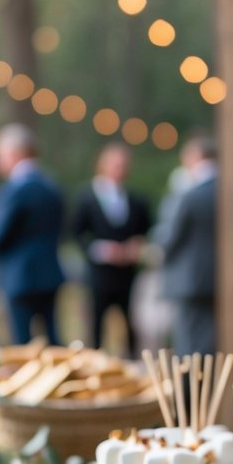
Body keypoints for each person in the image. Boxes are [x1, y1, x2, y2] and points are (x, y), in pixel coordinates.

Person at [0, 125, 64, 345]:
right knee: (54, 339)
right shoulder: (52, 185)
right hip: (50, 271)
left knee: (22, 342)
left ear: (15, 153)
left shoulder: (14, 190)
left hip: (20, 276)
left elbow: (0, 233)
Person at [72, 144, 151, 355]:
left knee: (130, 323)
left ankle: (132, 365)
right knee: (96, 325)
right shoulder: (87, 197)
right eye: (116, 164)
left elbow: (145, 230)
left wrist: (135, 246)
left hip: (127, 273)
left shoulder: (136, 199)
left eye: (124, 165)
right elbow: (77, 232)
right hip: (99, 274)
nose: (120, 169)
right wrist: (102, 250)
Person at [156, 135, 218, 356]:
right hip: (220, 279)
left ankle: (190, 390)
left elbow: (171, 237)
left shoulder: (189, 194)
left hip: (189, 280)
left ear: (194, 157)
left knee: (188, 346)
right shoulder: (229, 191)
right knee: (211, 342)